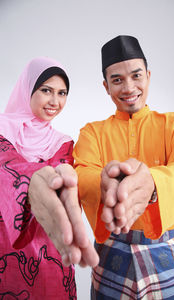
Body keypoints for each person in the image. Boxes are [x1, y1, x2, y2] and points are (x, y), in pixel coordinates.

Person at [73, 35, 174, 299]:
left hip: (164, 250)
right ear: (106, 86)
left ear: (149, 76)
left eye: (136, 75)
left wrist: (153, 183)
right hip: (110, 250)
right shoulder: (92, 133)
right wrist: (102, 183)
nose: (129, 87)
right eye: (117, 80)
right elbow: (82, 171)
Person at [0, 56, 98, 299]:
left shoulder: (62, 143)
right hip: (4, 249)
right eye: (46, 90)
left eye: (62, 93)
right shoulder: (2, 132)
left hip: (50, 255)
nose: (55, 101)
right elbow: (6, 167)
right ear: (28, 88)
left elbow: (59, 186)